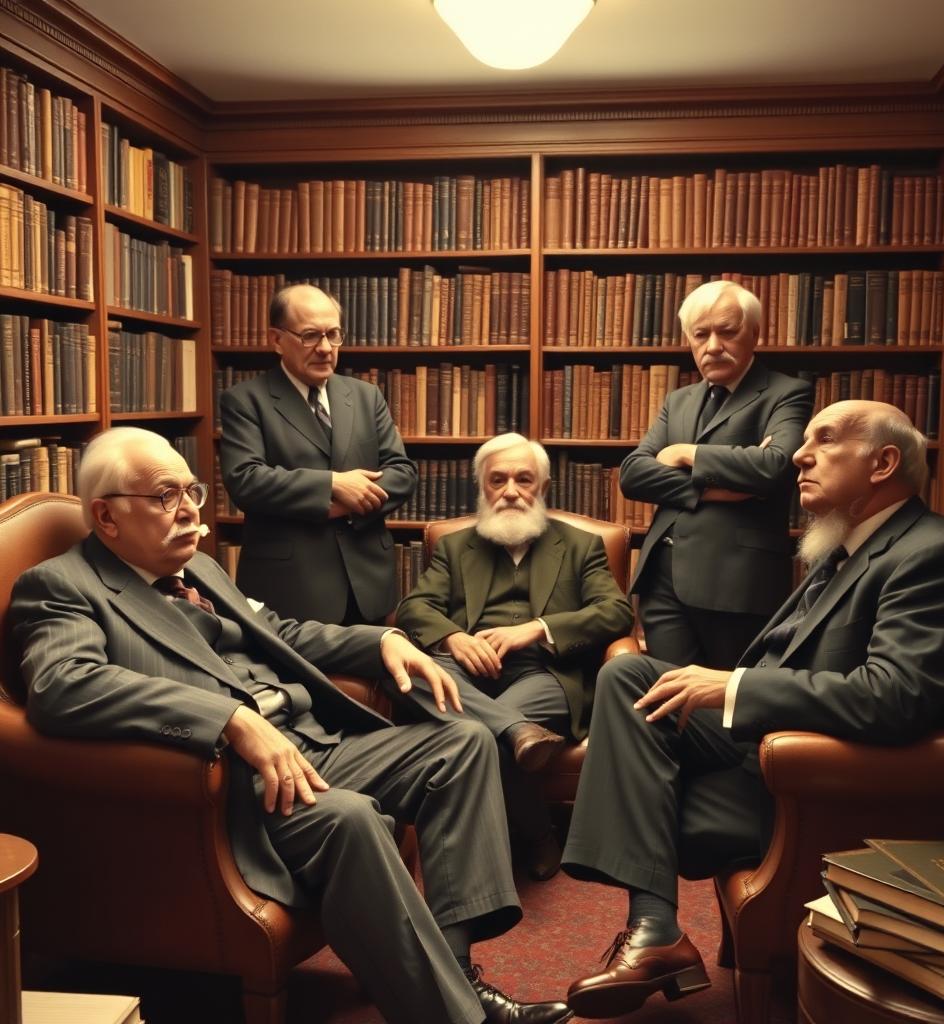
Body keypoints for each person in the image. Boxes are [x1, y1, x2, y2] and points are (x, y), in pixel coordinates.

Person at [11, 427, 573, 1024]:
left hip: (312, 742)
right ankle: (459, 1018)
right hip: (236, 781)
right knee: (351, 818)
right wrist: (227, 719)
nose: (189, 510)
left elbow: (279, 632)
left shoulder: (198, 566)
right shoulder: (62, 587)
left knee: (461, 743)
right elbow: (62, 684)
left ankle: (455, 976)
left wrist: (382, 640)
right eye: (166, 496)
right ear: (107, 515)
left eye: (192, 490)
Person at [560, 401, 944, 1019]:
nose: (799, 453)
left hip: (830, 783)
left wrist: (733, 688)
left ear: (884, 463)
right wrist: (734, 690)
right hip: (776, 743)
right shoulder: (853, 545)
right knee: (630, 675)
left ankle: (656, 929)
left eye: (824, 440)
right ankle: (657, 927)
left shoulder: (932, 557)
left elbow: (894, 698)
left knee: (640, 790)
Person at [394, 433, 634, 878]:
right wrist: (452, 638)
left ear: (542, 487)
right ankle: (518, 736)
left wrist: (537, 629)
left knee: (480, 735)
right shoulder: (454, 545)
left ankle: (535, 835)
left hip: (545, 673)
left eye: (524, 479)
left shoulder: (581, 546)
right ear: (482, 487)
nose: (510, 491)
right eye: (497, 479)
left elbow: (616, 612)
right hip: (464, 669)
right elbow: (414, 607)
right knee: (409, 675)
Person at [620, 280, 813, 668]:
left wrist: (685, 453)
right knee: (668, 703)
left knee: (723, 707)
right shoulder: (678, 400)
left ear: (755, 334)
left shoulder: (787, 392)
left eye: (727, 332)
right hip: (662, 581)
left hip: (737, 583)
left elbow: (774, 466)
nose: (712, 346)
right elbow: (634, 474)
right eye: (700, 334)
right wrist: (710, 491)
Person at [219, 283, 416, 625]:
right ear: (276, 339)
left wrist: (348, 504)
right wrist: (333, 486)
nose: (325, 348)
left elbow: (402, 472)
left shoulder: (366, 396)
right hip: (289, 590)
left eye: (333, 334)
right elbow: (245, 480)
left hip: (366, 585)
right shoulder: (245, 400)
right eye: (310, 336)